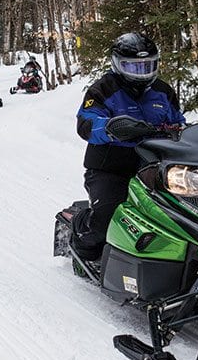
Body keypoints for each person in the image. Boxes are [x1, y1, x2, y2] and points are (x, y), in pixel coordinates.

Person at [71, 32, 185, 264]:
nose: (142, 73)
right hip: (111, 167)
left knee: (188, 213)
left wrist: (181, 130)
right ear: (117, 65)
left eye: (147, 66)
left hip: (157, 166)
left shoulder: (163, 91)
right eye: (134, 67)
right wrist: (110, 127)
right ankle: (81, 234)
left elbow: (178, 121)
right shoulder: (103, 89)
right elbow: (86, 123)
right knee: (108, 218)